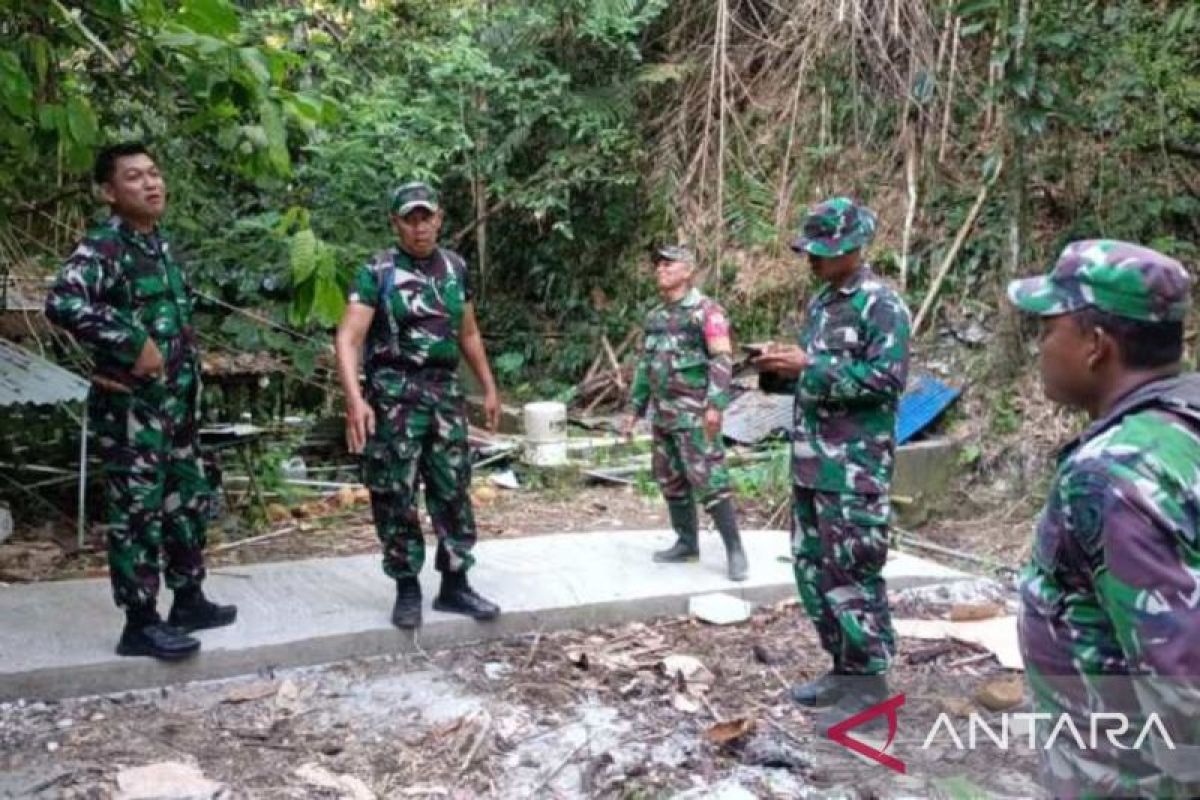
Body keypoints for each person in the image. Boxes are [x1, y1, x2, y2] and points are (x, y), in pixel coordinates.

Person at [1007, 239, 1200, 797]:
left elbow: (1184, 684)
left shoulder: (1113, 477)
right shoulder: (1181, 426)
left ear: (1096, 346)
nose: (1041, 347)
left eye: (1049, 329)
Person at [45, 142, 236, 661]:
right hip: (132, 411)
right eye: (134, 177)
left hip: (174, 407)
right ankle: (140, 621)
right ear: (109, 192)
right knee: (137, 512)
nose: (151, 184)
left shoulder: (157, 245)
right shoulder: (105, 246)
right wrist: (131, 343)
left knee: (187, 499)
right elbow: (62, 301)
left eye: (154, 174)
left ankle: (189, 598)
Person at [753, 197, 910, 730]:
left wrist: (810, 365)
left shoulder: (880, 305)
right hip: (811, 465)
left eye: (821, 251)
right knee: (813, 571)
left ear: (851, 248)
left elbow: (886, 381)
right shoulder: (822, 305)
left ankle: (871, 689)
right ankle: (843, 670)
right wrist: (779, 367)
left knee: (854, 575)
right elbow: (812, 377)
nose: (812, 261)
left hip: (855, 471)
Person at [335, 181, 501, 630]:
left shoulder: (455, 267)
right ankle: (406, 586)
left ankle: (456, 583)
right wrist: (355, 399)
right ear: (396, 224)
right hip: (394, 396)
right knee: (395, 493)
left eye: (426, 216)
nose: (419, 226)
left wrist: (487, 385)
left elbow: (467, 332)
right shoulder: (378, 270)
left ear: (439, 218)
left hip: (444, 394)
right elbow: (348, 338)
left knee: (452, 489)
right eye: (410, 218)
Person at [621, 245, 747, 581]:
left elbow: (721, 360)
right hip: (663, 416)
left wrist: (714, 406)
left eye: (668, 264)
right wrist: (634, 409)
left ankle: (735, 550)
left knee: (710, 481)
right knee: (670, 479)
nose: (660, 269)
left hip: (694, 415)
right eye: (658, 265)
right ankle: (686, 543)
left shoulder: (707, 312)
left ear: (687, 271)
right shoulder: (655, 318)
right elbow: (646, 365)